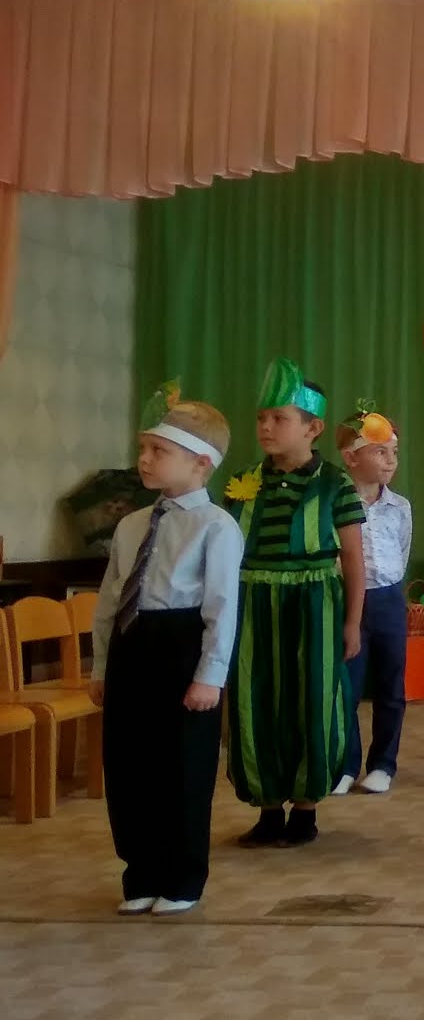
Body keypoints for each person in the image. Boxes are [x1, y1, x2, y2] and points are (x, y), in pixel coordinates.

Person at [91, 382, 242, 915]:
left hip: (181, 650)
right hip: (132, 648)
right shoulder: (131, 525)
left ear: (201, 463)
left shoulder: (216, 527)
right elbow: (109, 601)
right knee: (129, 765)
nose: (145, 459)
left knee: (181, 767)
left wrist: (210, 676)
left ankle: (182, 877)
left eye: (159, 450)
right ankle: (141, 872)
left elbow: (222, 607)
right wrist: (102, 666)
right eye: (144, 449)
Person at [224, 359, 365, 848]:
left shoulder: (335, 484)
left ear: (313, 428)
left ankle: (305, 810)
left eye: (279, 418)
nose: (266, 427)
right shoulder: (242, 484)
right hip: (253, 604)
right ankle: (267, 808)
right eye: (261, 418)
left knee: (313, 697)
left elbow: (353, 557)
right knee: (255, 696)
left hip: (315, 604)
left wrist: (353, 621)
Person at [334, 403, 410, 797]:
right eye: (380, 452)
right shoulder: (336, 504)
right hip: (348, 600)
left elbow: (402, 551)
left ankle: (382, 764)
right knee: (346, 685)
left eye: (394, 452)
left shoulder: (400, 507)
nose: (390, 460)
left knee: (390, 686)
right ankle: (345, 765)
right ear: (351, 458)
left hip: (389, 600)